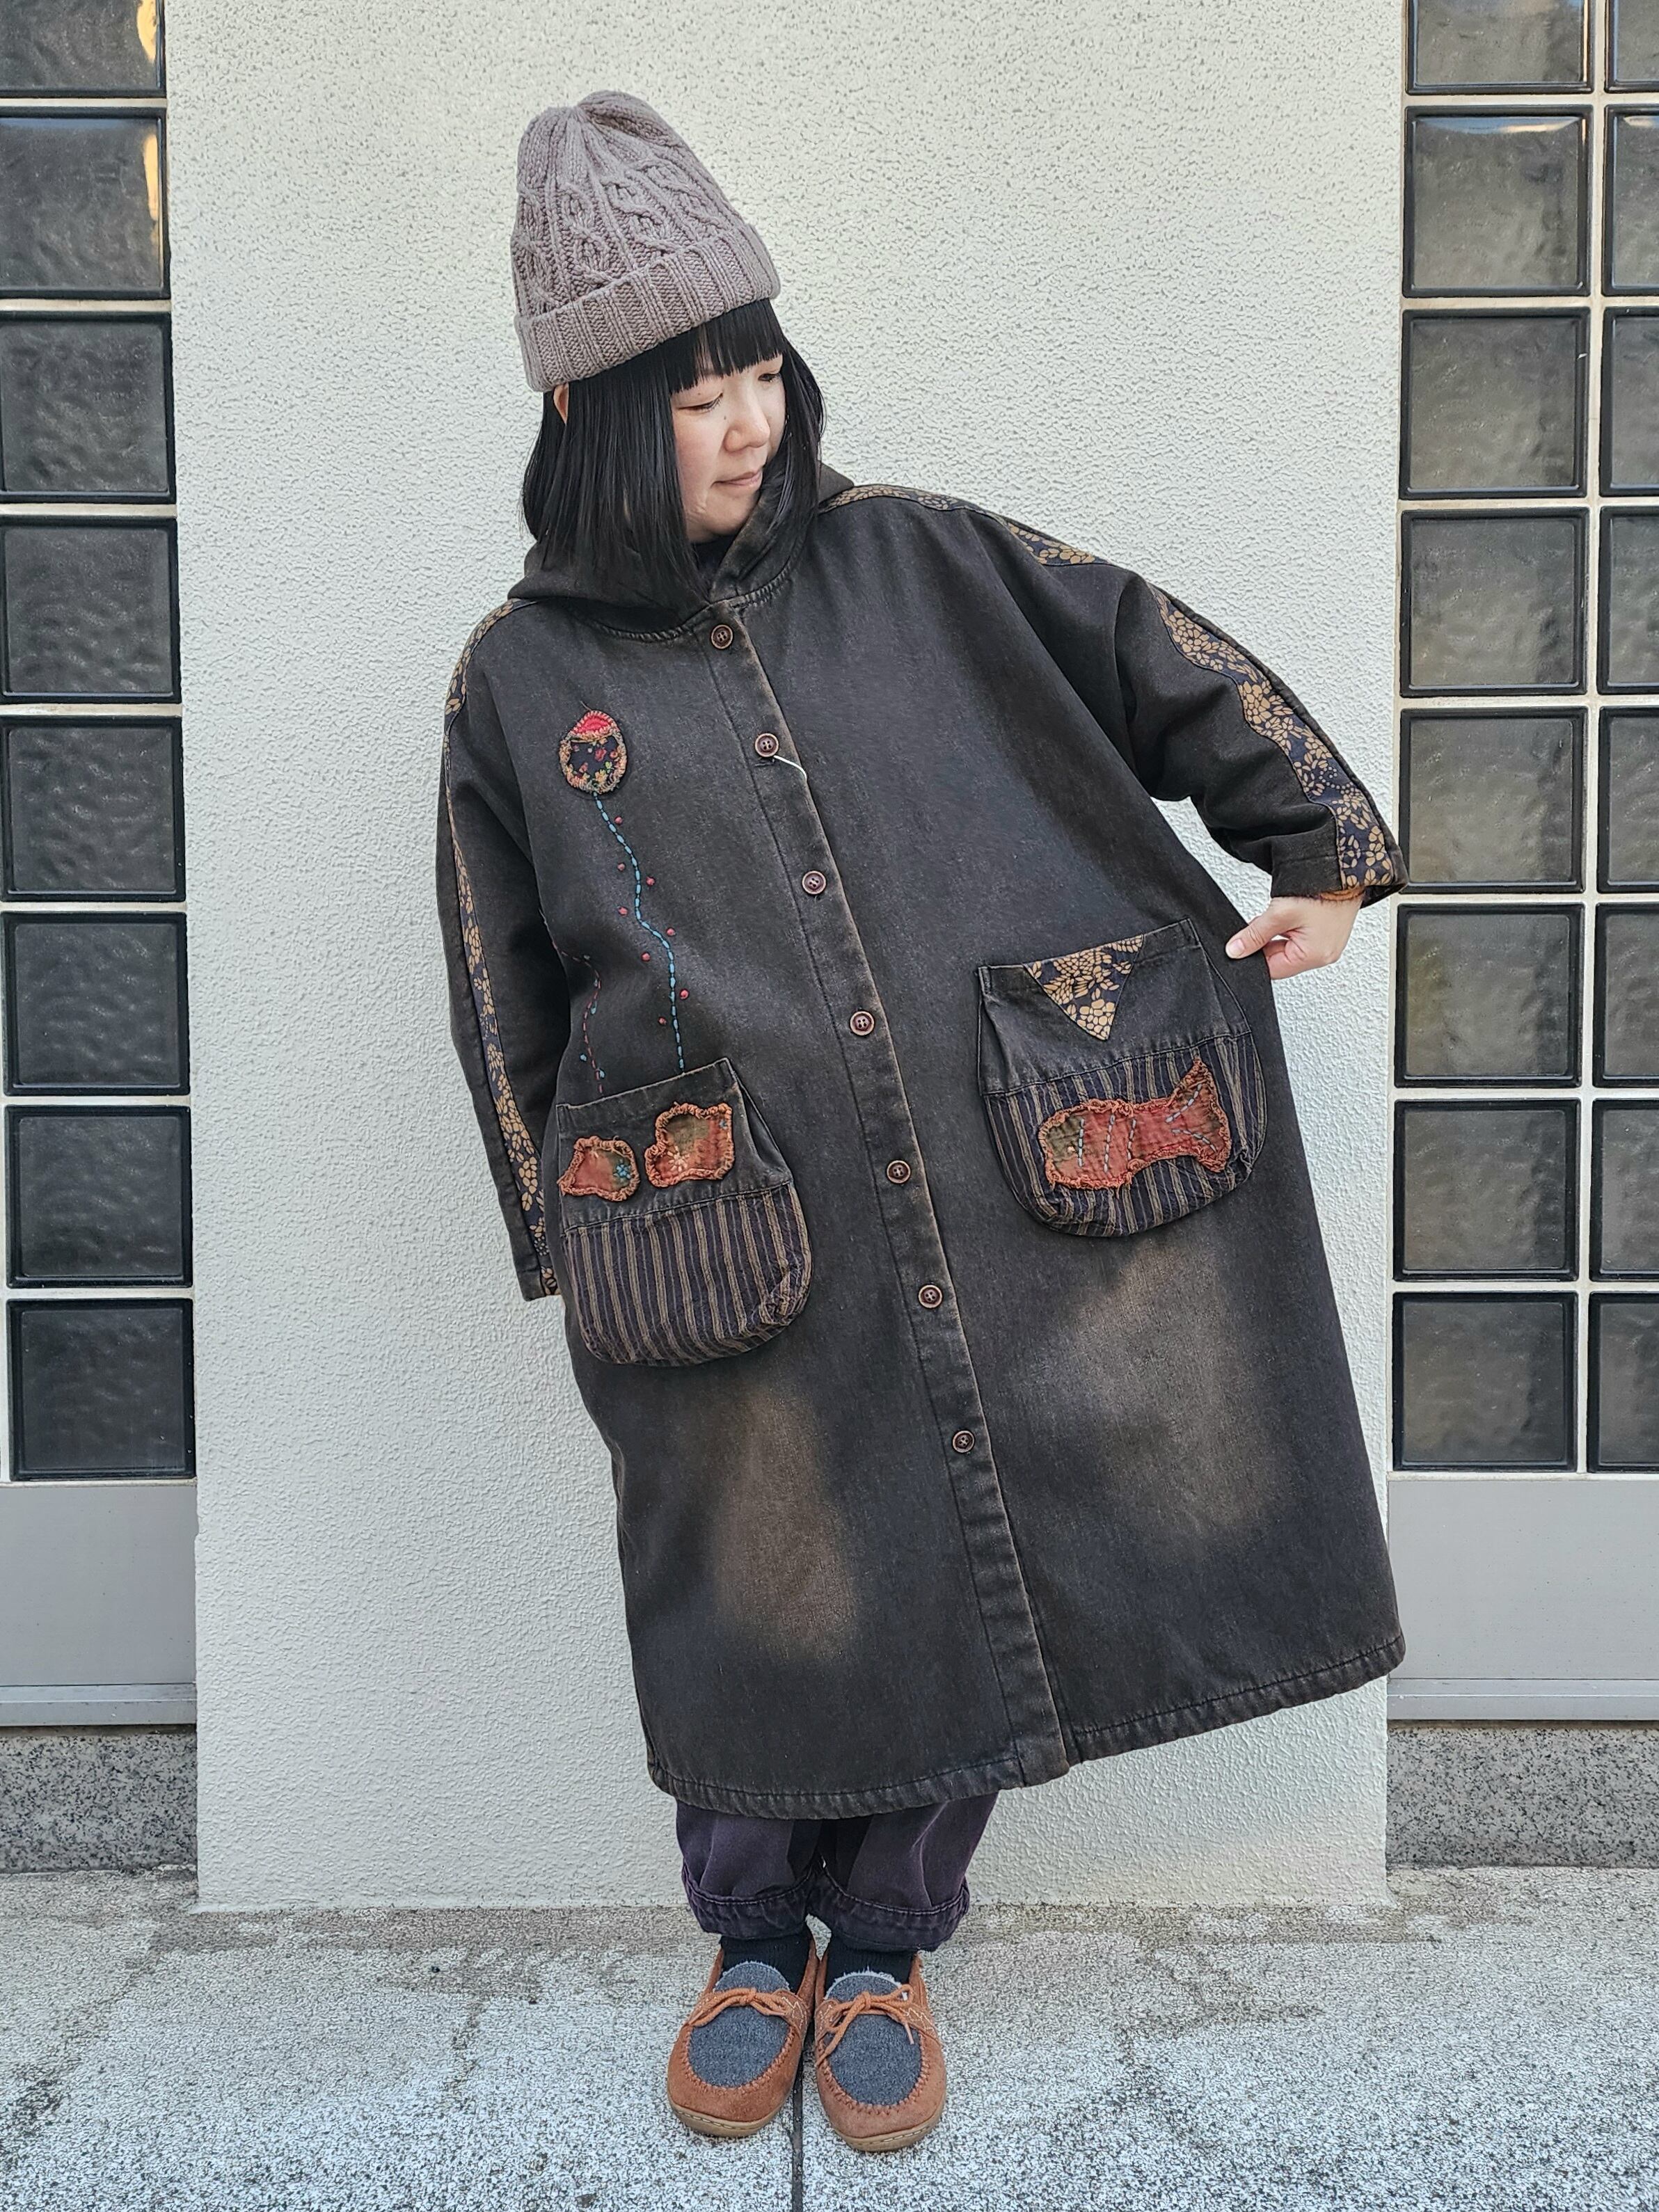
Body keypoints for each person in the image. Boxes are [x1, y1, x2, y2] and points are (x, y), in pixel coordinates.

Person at [438, 89, 1407, 2155]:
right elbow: (499, 977)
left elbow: (1157, 659)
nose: (747, 423)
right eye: (694, 394)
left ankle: (881, 1949)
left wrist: (1320, 850)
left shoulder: (928, 562)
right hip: (719, 1221)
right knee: (758, 1575)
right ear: (588, 417)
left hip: (991, 1167)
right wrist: (566, 1239)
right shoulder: (518, 681)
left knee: (978, 1556)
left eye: (760, 371)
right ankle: (751, 1945)